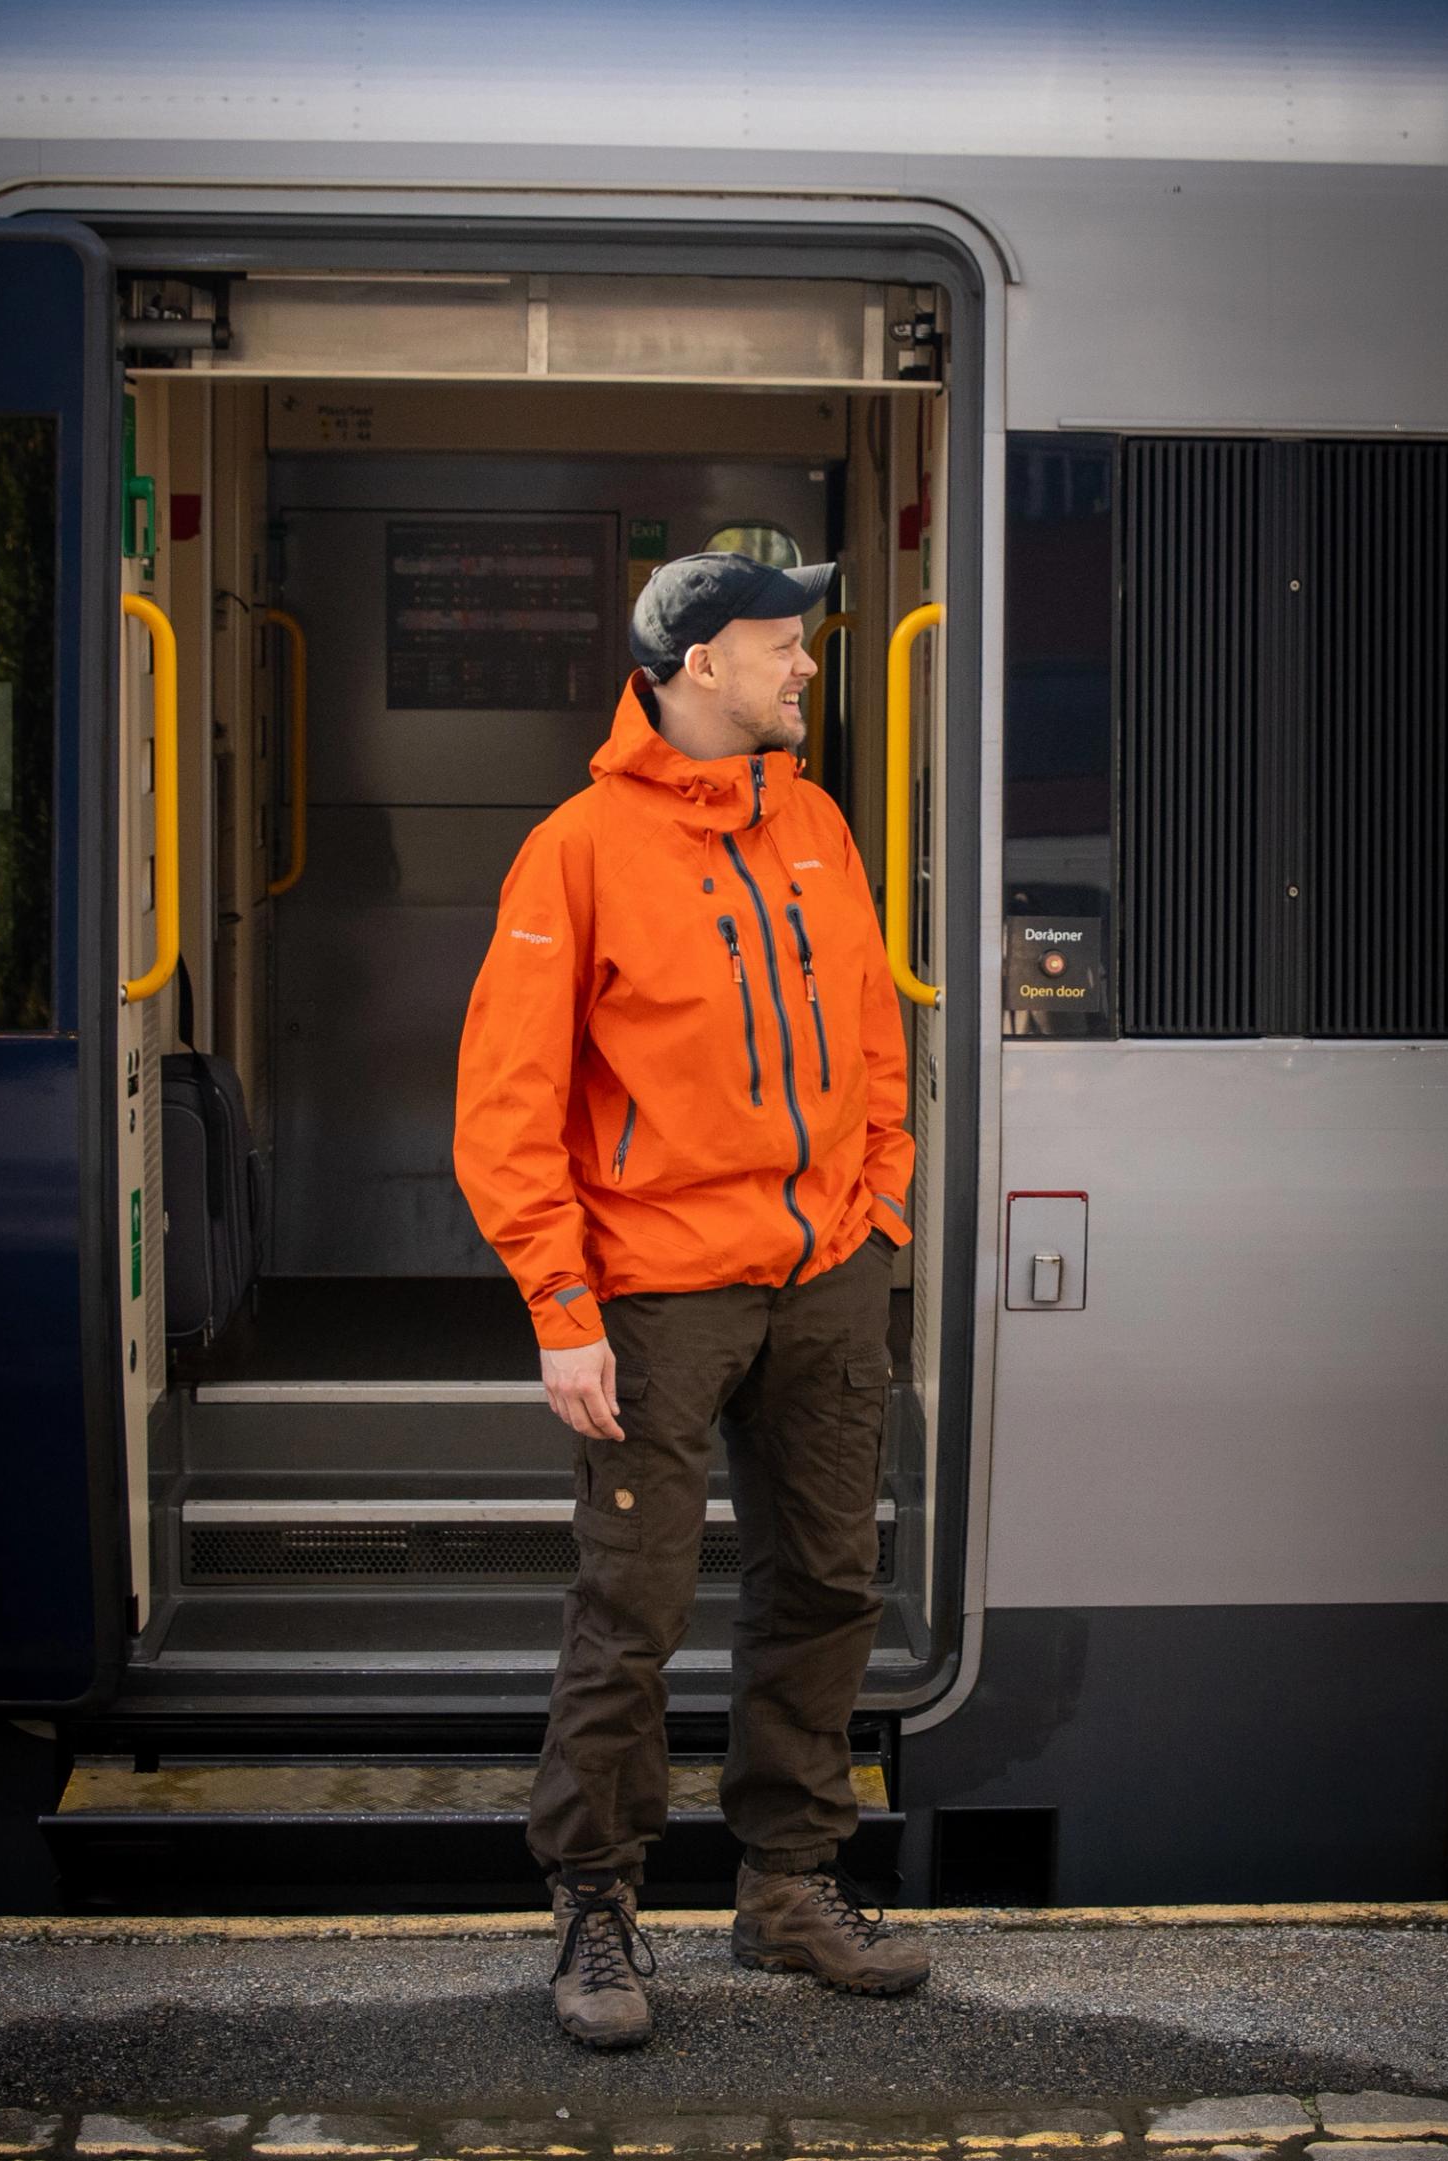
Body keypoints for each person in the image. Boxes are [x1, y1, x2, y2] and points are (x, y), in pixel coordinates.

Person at [453, 550, 928, 2050]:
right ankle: (595, 1902)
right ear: (695, 664)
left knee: (828, 1585)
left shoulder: (817, 823)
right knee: (635, 1609)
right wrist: (561, 1302)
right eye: (781, 647)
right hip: (656, 1293)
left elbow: (872, 1032)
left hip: (824, 1276)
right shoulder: (577, 849)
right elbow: (506, 1100)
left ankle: (789, 1885)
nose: (805, 670)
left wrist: (881, 1207)